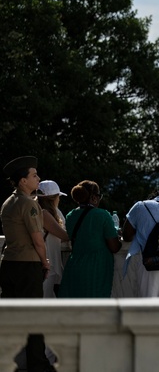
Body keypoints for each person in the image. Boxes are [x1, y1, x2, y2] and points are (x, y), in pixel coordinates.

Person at [0, 156, 53, 371]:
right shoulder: (28, 204)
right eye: (34, 175)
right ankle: (38, 364)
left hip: (9, 264)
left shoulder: (7, 203)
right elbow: (37, 239)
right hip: (27, 265)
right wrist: (45, 262)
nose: (38, 178)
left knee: (10, 318)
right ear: (23, 181)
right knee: (33, 316)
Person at [59, 180, 122, 298]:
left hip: (74, 266)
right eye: (99, 196)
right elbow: (115, 247)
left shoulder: (70, 215)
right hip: (96, 269)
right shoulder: (103, 215)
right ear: (93, 197)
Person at [36, 180, 69, 298]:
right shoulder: (43, 213)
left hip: (50, 266)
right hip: (46, 266)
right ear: (53, 198)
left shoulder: (53, 212)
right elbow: (65, 235)